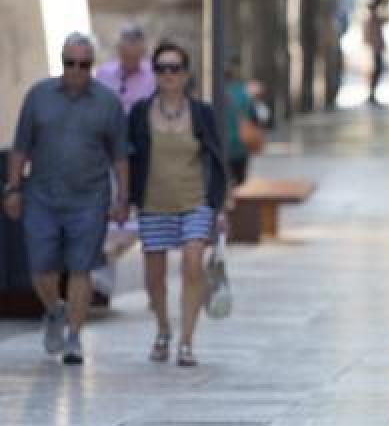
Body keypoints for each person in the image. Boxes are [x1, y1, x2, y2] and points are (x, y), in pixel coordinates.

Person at [4, 32, 129, 366]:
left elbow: (120, 156)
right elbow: (20, 147)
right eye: (70, 63)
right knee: (40, 267)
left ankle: (74, 338)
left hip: (90, 199)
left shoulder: (107, 103)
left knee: (80, 268)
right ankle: (55, 309)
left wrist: (123, 198)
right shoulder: (38, 96)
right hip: (41, 197)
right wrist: (12, 189)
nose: (76, 70)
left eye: (83, 64)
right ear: (62, 63)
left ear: (92, 65)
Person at [128, 40, 229, 368]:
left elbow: (217, 159)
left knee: (193, 263)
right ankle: (163, 329)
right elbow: (129, 158)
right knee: (154, 278)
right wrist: (125, 199)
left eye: (175, 68)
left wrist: (220, 206)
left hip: (195, 202)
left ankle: (186, 341)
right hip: (153, 204)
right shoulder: (140, 113)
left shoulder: (202, 113)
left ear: (186, 74)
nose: (168, 74)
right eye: (161, 68)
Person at [93, 24, 156, 300]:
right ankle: (102, 286)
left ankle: (154, 288)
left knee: (149, 220)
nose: (129, 60)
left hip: (144, 157)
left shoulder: (154, 76)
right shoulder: (104, 74)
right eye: (124, 54)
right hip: (108, 155)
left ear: (142, 52)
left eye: (134, 55)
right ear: (118, 50)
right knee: (108, 215)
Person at [224, 55, 260, 185]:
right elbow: (255, 118)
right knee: (240, 183)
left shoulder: (214, 94)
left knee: (224, 183)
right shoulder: (242, 92)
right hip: (242, 145)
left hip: (223, 146)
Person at [365, 0, 387, 106]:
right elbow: (370, 36)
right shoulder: (371, 20)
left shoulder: (375, 19)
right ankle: (371, 94)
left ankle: (372, 94)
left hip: (377, 49)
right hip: (374, 49)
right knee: (375, 70)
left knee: (378, 70)